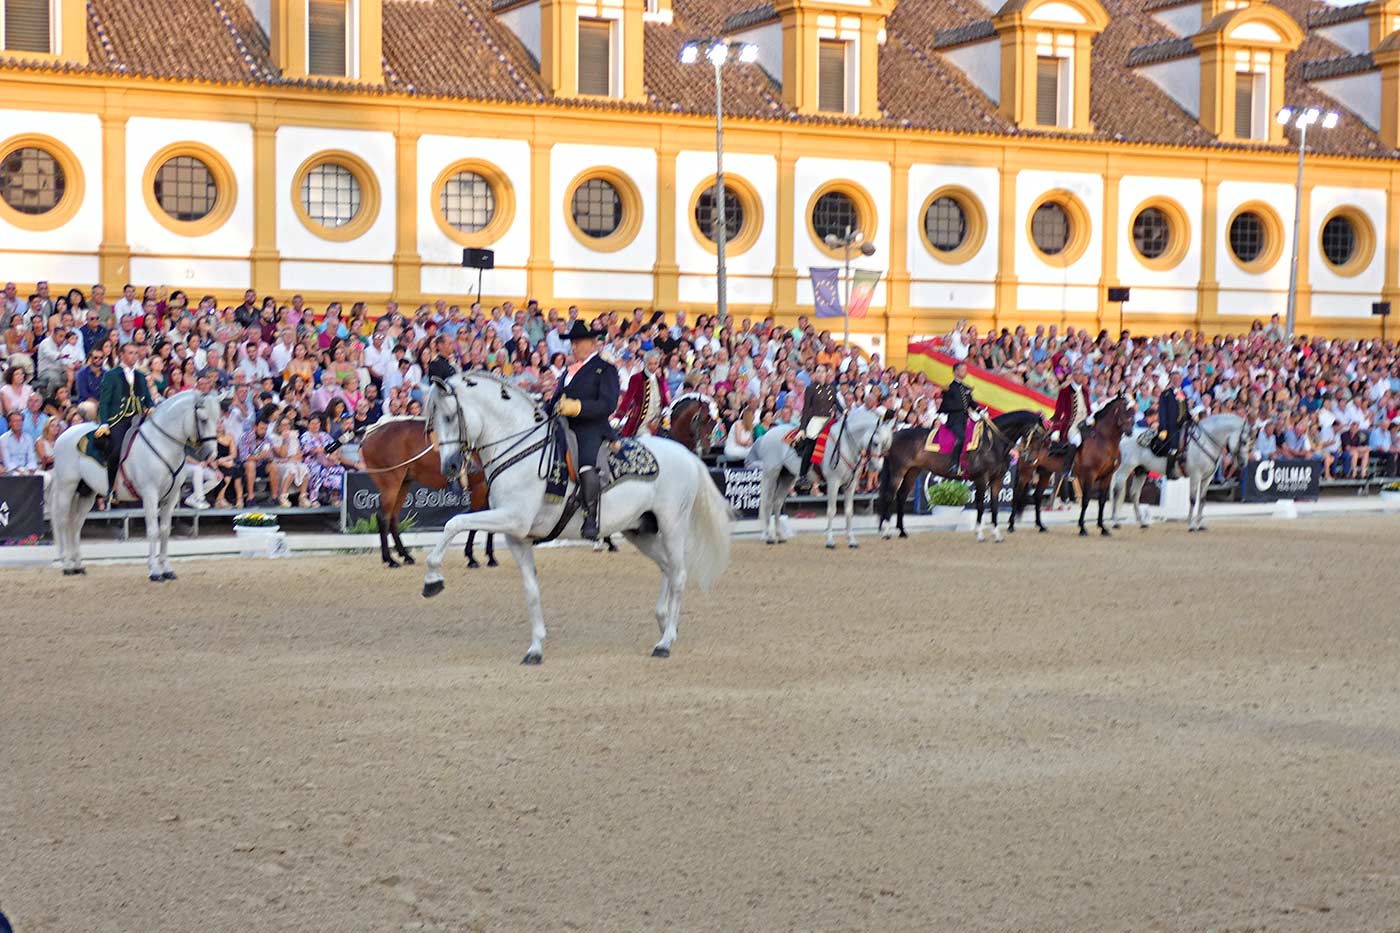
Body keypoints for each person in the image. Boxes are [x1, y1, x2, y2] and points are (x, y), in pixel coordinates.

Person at [552, 321, 620, 540]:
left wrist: (578, 407)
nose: (573, 347)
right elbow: (556, 398)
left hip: (590, 426)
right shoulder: (568, 371)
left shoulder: (605, 369)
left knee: (585, 464)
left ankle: (591, 517)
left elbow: (608, 405)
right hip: (562, 424)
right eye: (572, 343)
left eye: (578, 342)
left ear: (592, 343)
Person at [95, 340, 155, 498]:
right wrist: (104, 423)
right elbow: (104, 401)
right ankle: (110, 488)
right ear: (121, 355)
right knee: (116, 451)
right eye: (130, 353)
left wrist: (152, 408)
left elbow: (147, 400)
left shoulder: (141, 376)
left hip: (139, 418)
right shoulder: (111, 375)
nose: (134, 356)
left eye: (136, 353)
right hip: (119, 420)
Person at [797, 364, 839, 487]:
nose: (820, 374)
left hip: (827, 421)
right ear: (815, 374)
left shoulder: (831, 388)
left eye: (823, 372)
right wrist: (802, 428)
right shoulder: (811, 388)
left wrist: (845, 410)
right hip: (815, 421)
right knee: (811, 446)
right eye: (818, 371)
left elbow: (836, 403)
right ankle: (803, 474)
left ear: (826, 374)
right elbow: (806, 409)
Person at [615, 349, 670, 437]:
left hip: (656, 423)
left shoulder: (660, 380)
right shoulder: (637, 378)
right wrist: (618, 417)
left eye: (655, 363)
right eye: (650, 363)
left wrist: (666, 409)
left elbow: (663, 401)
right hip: (641, 422)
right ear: (645, 363)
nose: (653, 366)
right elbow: (627, 399)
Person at [938, 359, 978, 477]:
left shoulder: (966, 388)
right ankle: (954, 463)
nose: (964, 372)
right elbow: (946, 406)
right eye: (962, 370)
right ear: (955, 372)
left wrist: (981, 411)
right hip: (954, 420)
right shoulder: (949, 388)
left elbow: (971, 403)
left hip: (965, 420)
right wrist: (962, 408)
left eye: (965, 370)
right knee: (962, 437)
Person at [1049, 367, 1093, 470]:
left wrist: (1090, 417)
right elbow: (1059, 412)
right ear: (1073, 376)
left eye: (1081, 374)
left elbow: (1088, 409)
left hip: (1085, 423)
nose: (1079, 377)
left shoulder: (1085, 391)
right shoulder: (1064, 391)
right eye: (1076, 374)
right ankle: (1067, 468)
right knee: (1076, 441)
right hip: (1072, 424)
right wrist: (1056, 430)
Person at [1157, 370, 1188, 479]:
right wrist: (1164, 428)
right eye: (1175, 379)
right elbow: (1162, 413)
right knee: (1173, 448)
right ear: (1170, 380)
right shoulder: (1166, 394)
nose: (1177, 381)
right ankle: (1169, 470)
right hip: (1171, 427)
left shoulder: (1183, 393)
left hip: (1184, 425)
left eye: (1179, 379)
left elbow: (1185, 409)